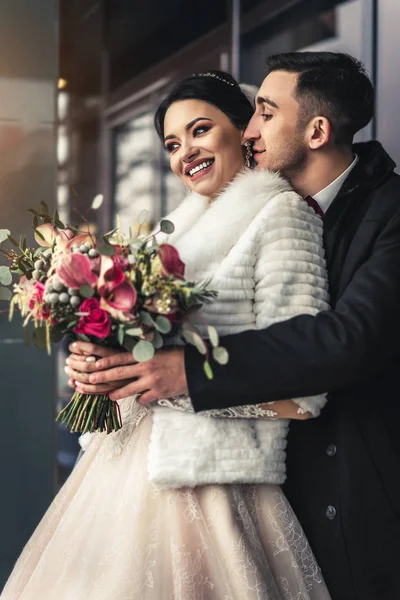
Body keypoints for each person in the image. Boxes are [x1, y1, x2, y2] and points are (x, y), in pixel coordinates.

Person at [74, 52, 400, 600]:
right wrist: (102, 355)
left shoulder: (367, 211)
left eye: (264, 113)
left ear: (317, 130)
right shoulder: (194, 225)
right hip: (210, 473)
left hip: (350, 481)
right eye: (172, 143)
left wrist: (180, 373)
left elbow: (346, 340)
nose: (249, 128)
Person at [1, 71, 332, 600]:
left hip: (213, 485)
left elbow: (304, 391)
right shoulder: (162, 236)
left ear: (243, 129)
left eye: (200, 130)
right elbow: (137, 351)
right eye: (173, 144)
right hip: (117, 471)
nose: (185, 153)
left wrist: (169, 383)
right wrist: (96, 366)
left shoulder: (281, 214)